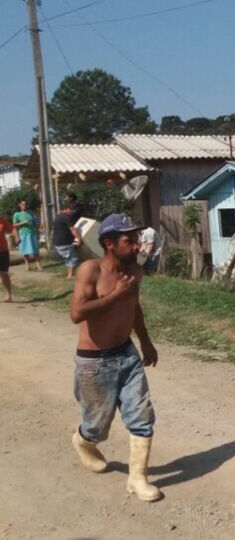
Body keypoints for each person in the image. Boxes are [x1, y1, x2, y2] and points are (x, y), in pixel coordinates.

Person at [69, 213, 162, 502]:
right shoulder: (90, 270)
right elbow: (77, 314)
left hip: (127, 354)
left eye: (136, 239)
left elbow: (134, 307)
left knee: (142, 416)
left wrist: (146, 342)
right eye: (129, 240)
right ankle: (83, 441)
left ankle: (138, 479)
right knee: (98, 426)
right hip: (94, 363)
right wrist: (116, 295)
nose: (136, 246)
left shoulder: (136, 271)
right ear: (109, 243)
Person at [52, 203, 83, 279]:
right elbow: (72, 229)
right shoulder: (66, 217)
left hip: (57, 242)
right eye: (71, 210)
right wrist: (79, 239)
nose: (72, 212)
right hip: (64, 242)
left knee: (67, 258)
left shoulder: (58, 216)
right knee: (73, 258)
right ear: (67, 209)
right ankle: (71, 274)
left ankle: (70, 273)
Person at [12, 200, 43, 271]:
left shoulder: (30, 212)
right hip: (23, 234)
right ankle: (27, 266)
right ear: (19, 205)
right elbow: (13, 225)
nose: (24, 206)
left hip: (32, 233)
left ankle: (38, 265)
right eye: (23, 204)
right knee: (25, 251)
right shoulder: (17, 214)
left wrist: (38, 229)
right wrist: (23, 222)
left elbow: (35, 222)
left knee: (36, 250)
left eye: (25, 204)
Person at [0, 215, 14, 302]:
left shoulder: (2, 221)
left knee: (4, 274)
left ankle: (9, 295)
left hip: (3, 252)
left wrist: (17, 236)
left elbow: (12, 228)